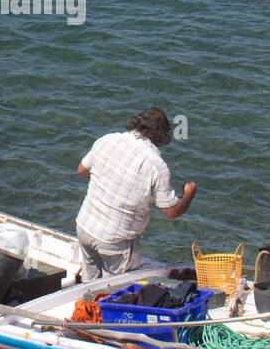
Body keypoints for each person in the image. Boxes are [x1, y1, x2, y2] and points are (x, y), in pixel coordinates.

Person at [75, 108, 196, 281]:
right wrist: (189, 193)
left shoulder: (107, 139)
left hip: (85, 226)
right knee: (114, 291)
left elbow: (82, 170)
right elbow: (170, 212)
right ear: (163, 135)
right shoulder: (156, 165)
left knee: (88, 285)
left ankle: (86, 306)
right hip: (115, 240)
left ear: (137, 123)